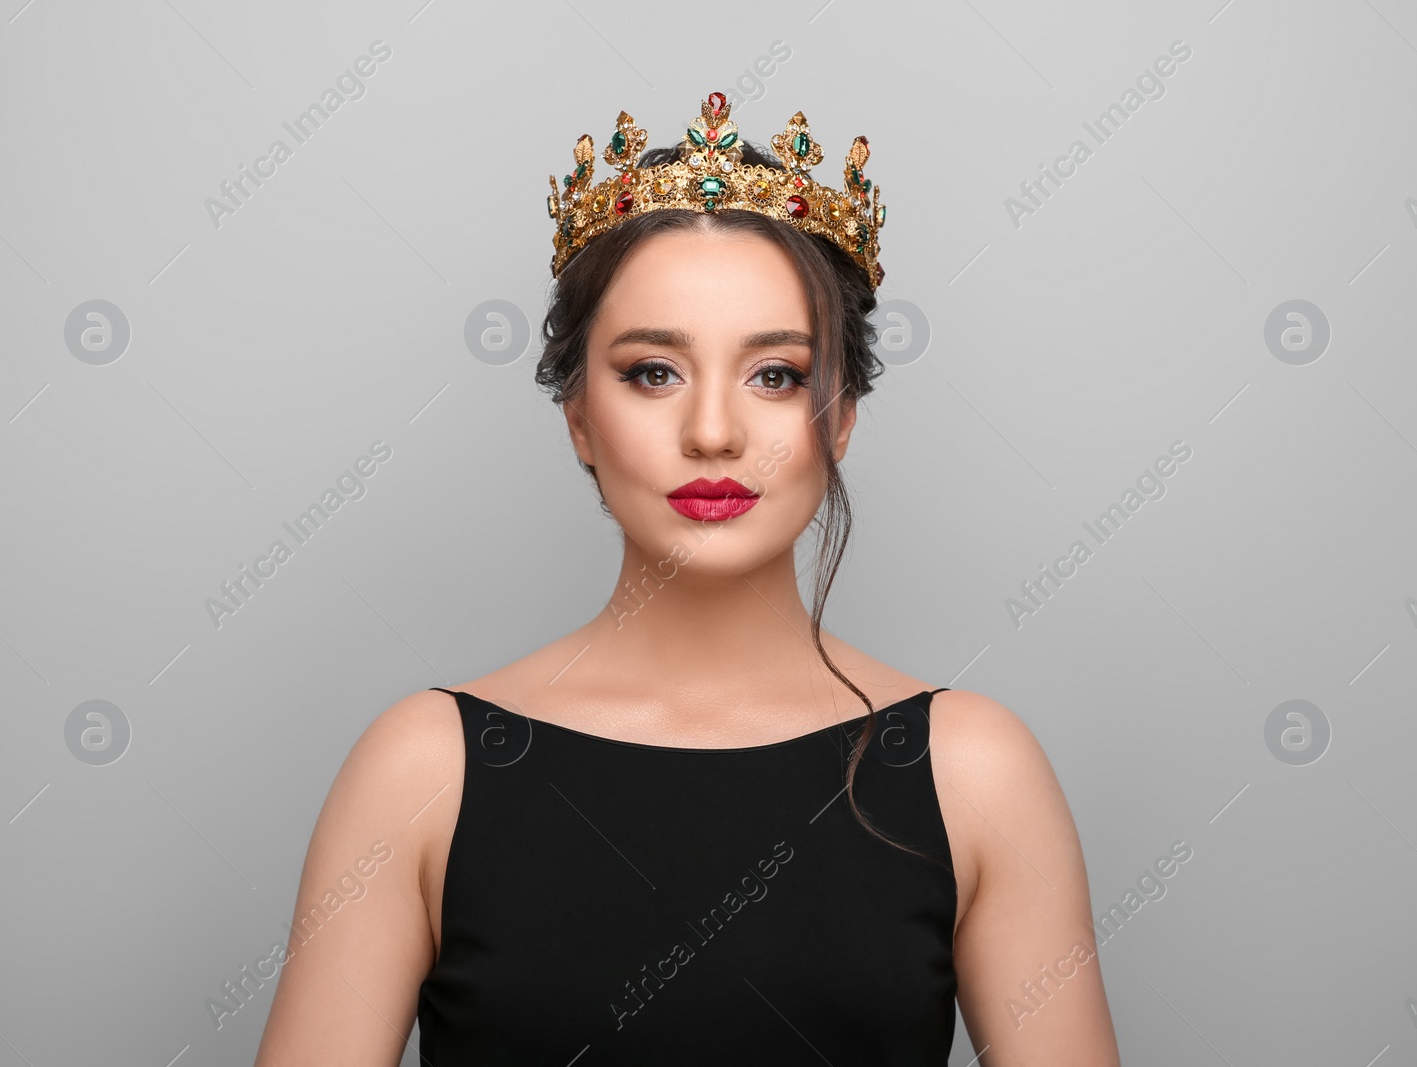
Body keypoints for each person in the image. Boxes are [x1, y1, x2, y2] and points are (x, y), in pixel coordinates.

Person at [254, 91, 1120, 1065]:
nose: (712, 432)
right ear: (578, 413)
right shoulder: (423, 770)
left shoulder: (973, 771)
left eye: (776, 374)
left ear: (839, 417)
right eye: (652, 371)